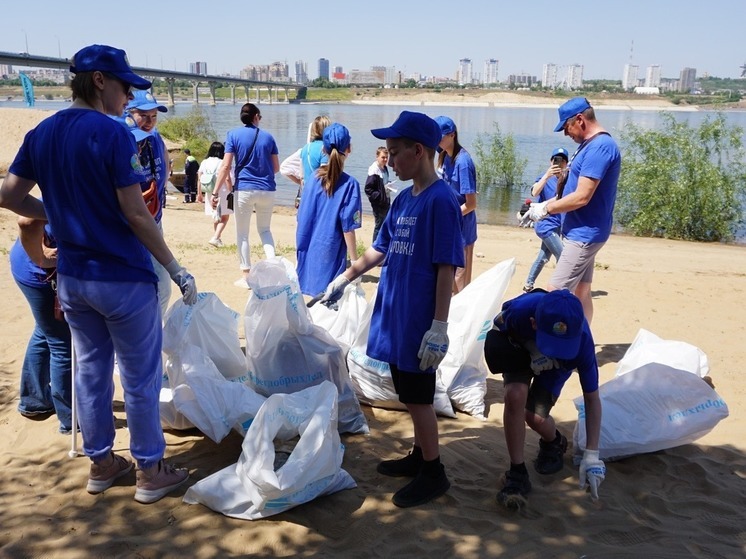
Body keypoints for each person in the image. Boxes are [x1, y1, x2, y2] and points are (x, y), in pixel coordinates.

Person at [0, 44, 197, 504]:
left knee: (90, 370)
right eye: (126, 86)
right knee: (140, 376)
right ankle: (151, 471)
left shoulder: (41, 132)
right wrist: (174, 266)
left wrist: (57, 213)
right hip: (122, 277)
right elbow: (136, 214)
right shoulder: (113, 136)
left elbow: (8, 196)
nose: (129, 98)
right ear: (100, 81)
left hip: (72, 278)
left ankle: (102, 464)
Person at [319, 111, 464, 507]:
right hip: (395, 313)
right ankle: (420, 456)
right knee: (405, 389)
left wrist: (439, 326)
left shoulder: (441, 201)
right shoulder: (402, 200)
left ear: (419, 152)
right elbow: (379, 249)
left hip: (420, 319)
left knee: (417, 396)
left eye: (395, 152)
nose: (390, 159)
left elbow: (446, 267)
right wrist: (345, 277)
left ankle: (434, 472)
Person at [483, 289, 605, 509]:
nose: (558, 350)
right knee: (514, 395)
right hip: (522, 347)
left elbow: (592, 399)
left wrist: (592, 455)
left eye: (563, 346)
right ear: (533, 323)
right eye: (554, 345)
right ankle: (517, 473)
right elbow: (497, 331)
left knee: (535, 417)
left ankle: (554, 443)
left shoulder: (583, 345)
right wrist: (532, 349)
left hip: (558, 367)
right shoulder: (519, 311)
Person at [521, 97, 622, 323]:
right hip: (582, 231)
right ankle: (584, 342)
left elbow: (582, 196)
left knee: (555, 291)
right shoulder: (589, 145)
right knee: (581, 291)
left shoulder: (600, 147)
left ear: (579, 119)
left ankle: (557, 348)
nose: (566, 134)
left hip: (584, 235)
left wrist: (546, 208)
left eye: (566, 127)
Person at [9, 217, 73, 434]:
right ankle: (71, 419)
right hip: (39, 274)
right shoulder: (67, 189)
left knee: (45, 332)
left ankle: (34, 401)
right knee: (62, 344)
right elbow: (26, 222)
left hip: (28, 266)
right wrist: (42, 258)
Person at [212, 103, 279, 288]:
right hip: (267, 189)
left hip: (244, 190)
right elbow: (276, 168)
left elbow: (225, 167)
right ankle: (274, 267)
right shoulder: (269, 137)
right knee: (265, 230)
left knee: (242, 234)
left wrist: (216, 191)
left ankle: (246, 276)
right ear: (256, 116)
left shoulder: (233, 135)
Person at [296, 123, 362, 296]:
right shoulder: (350, 185)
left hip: (307, 250)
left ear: (323, 149)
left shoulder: (312, 180)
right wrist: (355, 262)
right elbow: (348, 228)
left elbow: (302, 215)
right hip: (330, 255)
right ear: (349, 148)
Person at [124, 90, 172, 317]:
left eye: (154, 116)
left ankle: (152, 332)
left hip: (154, 220)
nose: (149, 121)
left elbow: (166, 165)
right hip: (129, 226)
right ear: (129, 114)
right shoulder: (122, 140)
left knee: (161, 286)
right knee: (151, 284)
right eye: (144, 116)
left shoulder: (155, 138)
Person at [435, 116, 477, 293]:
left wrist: (449, 217)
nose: (437, 141)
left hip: (463, 229)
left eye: (441, 137)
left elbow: (472, 204)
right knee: (447, 276)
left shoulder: (463, 163)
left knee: (460, 278)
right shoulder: (444, 156)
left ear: (452, 135)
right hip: (450, 226)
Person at [522, 147, 569, 292]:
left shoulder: (567, 180)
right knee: (563, 257)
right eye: (556, 160)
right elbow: (535, 191)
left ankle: (528, 285)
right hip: (545, 225)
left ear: (566, 163)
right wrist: (547, 176)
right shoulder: (544, 178)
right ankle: (562, 288)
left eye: (562, 161)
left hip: (557, 225)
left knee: (543, 257)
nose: (559, 163)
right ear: (551, 161)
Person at [196, 141, 232, 248]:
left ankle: (218, 238)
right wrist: (231, 189)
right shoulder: (222, 162)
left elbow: (199, 179)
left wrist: (199, 194)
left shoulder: (204, 162)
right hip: (223, 192)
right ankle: (216, 237)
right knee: (225, 217)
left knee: (217, 216)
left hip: (209, 192)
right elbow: (226, 178)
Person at [364, 146, 391, 244]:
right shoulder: (374, 170)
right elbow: (368, 189)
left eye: (386, 157)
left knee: (386, 224)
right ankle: (374, 246)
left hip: (386, 200)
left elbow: (382, 184)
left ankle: (382, 244)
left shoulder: (384, 168)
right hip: (379, 203)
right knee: (379, 226)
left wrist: (388, 186)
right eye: (383, 157)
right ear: (377, 157)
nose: (385, 160)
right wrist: (380, 196)